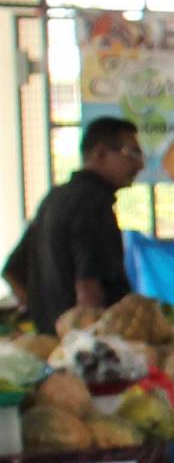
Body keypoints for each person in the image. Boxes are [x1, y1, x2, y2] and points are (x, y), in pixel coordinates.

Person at [6, 117, 141, 332]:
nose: (139, 165)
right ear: (101, 153)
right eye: (132, 153)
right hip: (88, 353)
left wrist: (46, 321)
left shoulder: (53, 198)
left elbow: (12, 271)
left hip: (54, 346)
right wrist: (84, 342)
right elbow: (88, 289)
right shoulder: (93, 203)